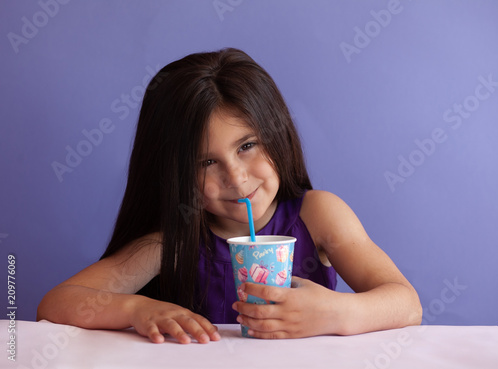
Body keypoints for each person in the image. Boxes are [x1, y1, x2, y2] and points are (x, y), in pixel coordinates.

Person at [37, 48, 422, 344]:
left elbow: (406, 304)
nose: (236, 180)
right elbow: (56, 304)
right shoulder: (173, 242)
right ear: (175, 175)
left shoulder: (318, 215)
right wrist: (136, 308)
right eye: (206, 162)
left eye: (247, 145)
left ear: (277, 134)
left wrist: (338, 314)